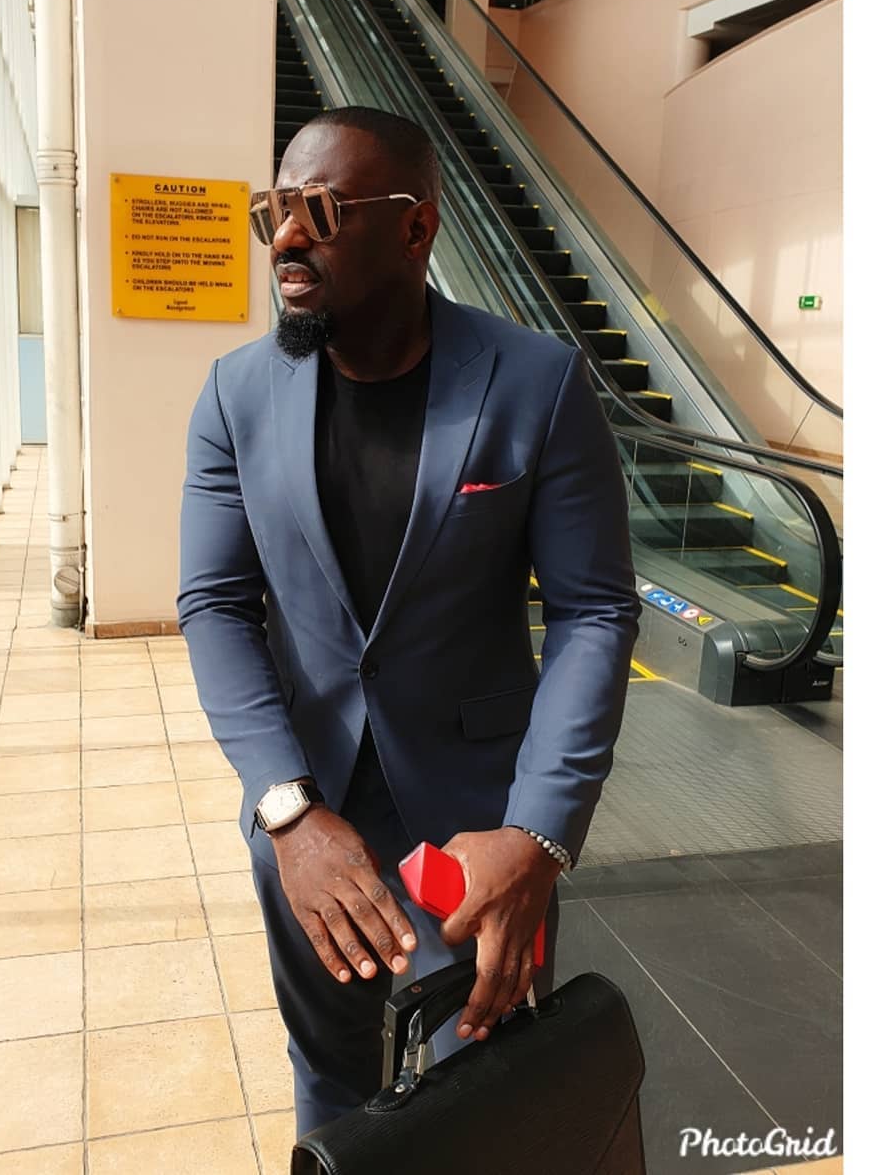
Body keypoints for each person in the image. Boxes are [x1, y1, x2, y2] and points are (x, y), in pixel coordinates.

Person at [177, 106, 640, 1138]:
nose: (284, 239)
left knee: (493, 1076)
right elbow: (213, 604)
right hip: (309, 811)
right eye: (273, 212)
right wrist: (288, 813)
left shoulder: (536, 383)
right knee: (332, 1075)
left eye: (319, 211)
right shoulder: (236, 396)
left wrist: (538, 833)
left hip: (484, 821)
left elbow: (594, 611)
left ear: (416, 227)